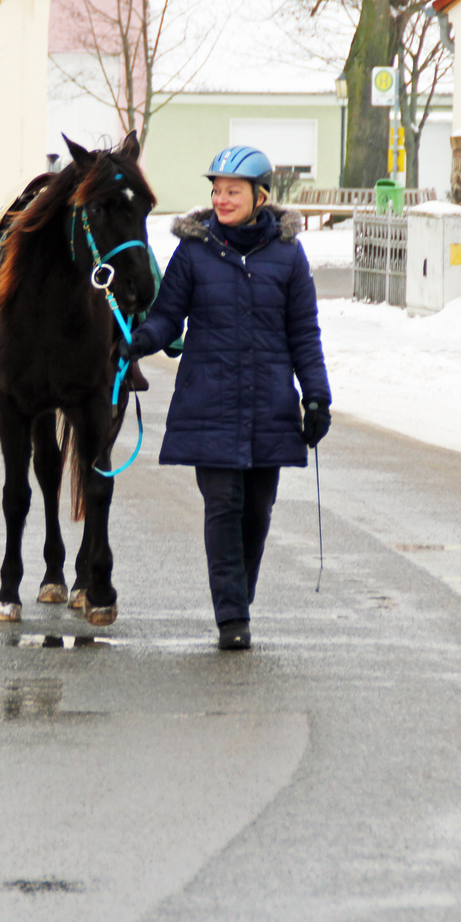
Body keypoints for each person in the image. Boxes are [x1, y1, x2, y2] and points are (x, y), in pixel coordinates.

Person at [117, 146, 331, 651]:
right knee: (224, 505)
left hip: (269, 405)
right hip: (208, 401)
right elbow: (169, 315)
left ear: (260, 196)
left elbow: (304, 333)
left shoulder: (288, 256)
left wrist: (316, 397)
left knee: (257, 512)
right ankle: (231, 616)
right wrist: (139, 342)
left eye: (232, 191)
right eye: (216, 190)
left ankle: (240, 597)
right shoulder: (194, 251)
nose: (221, 199)